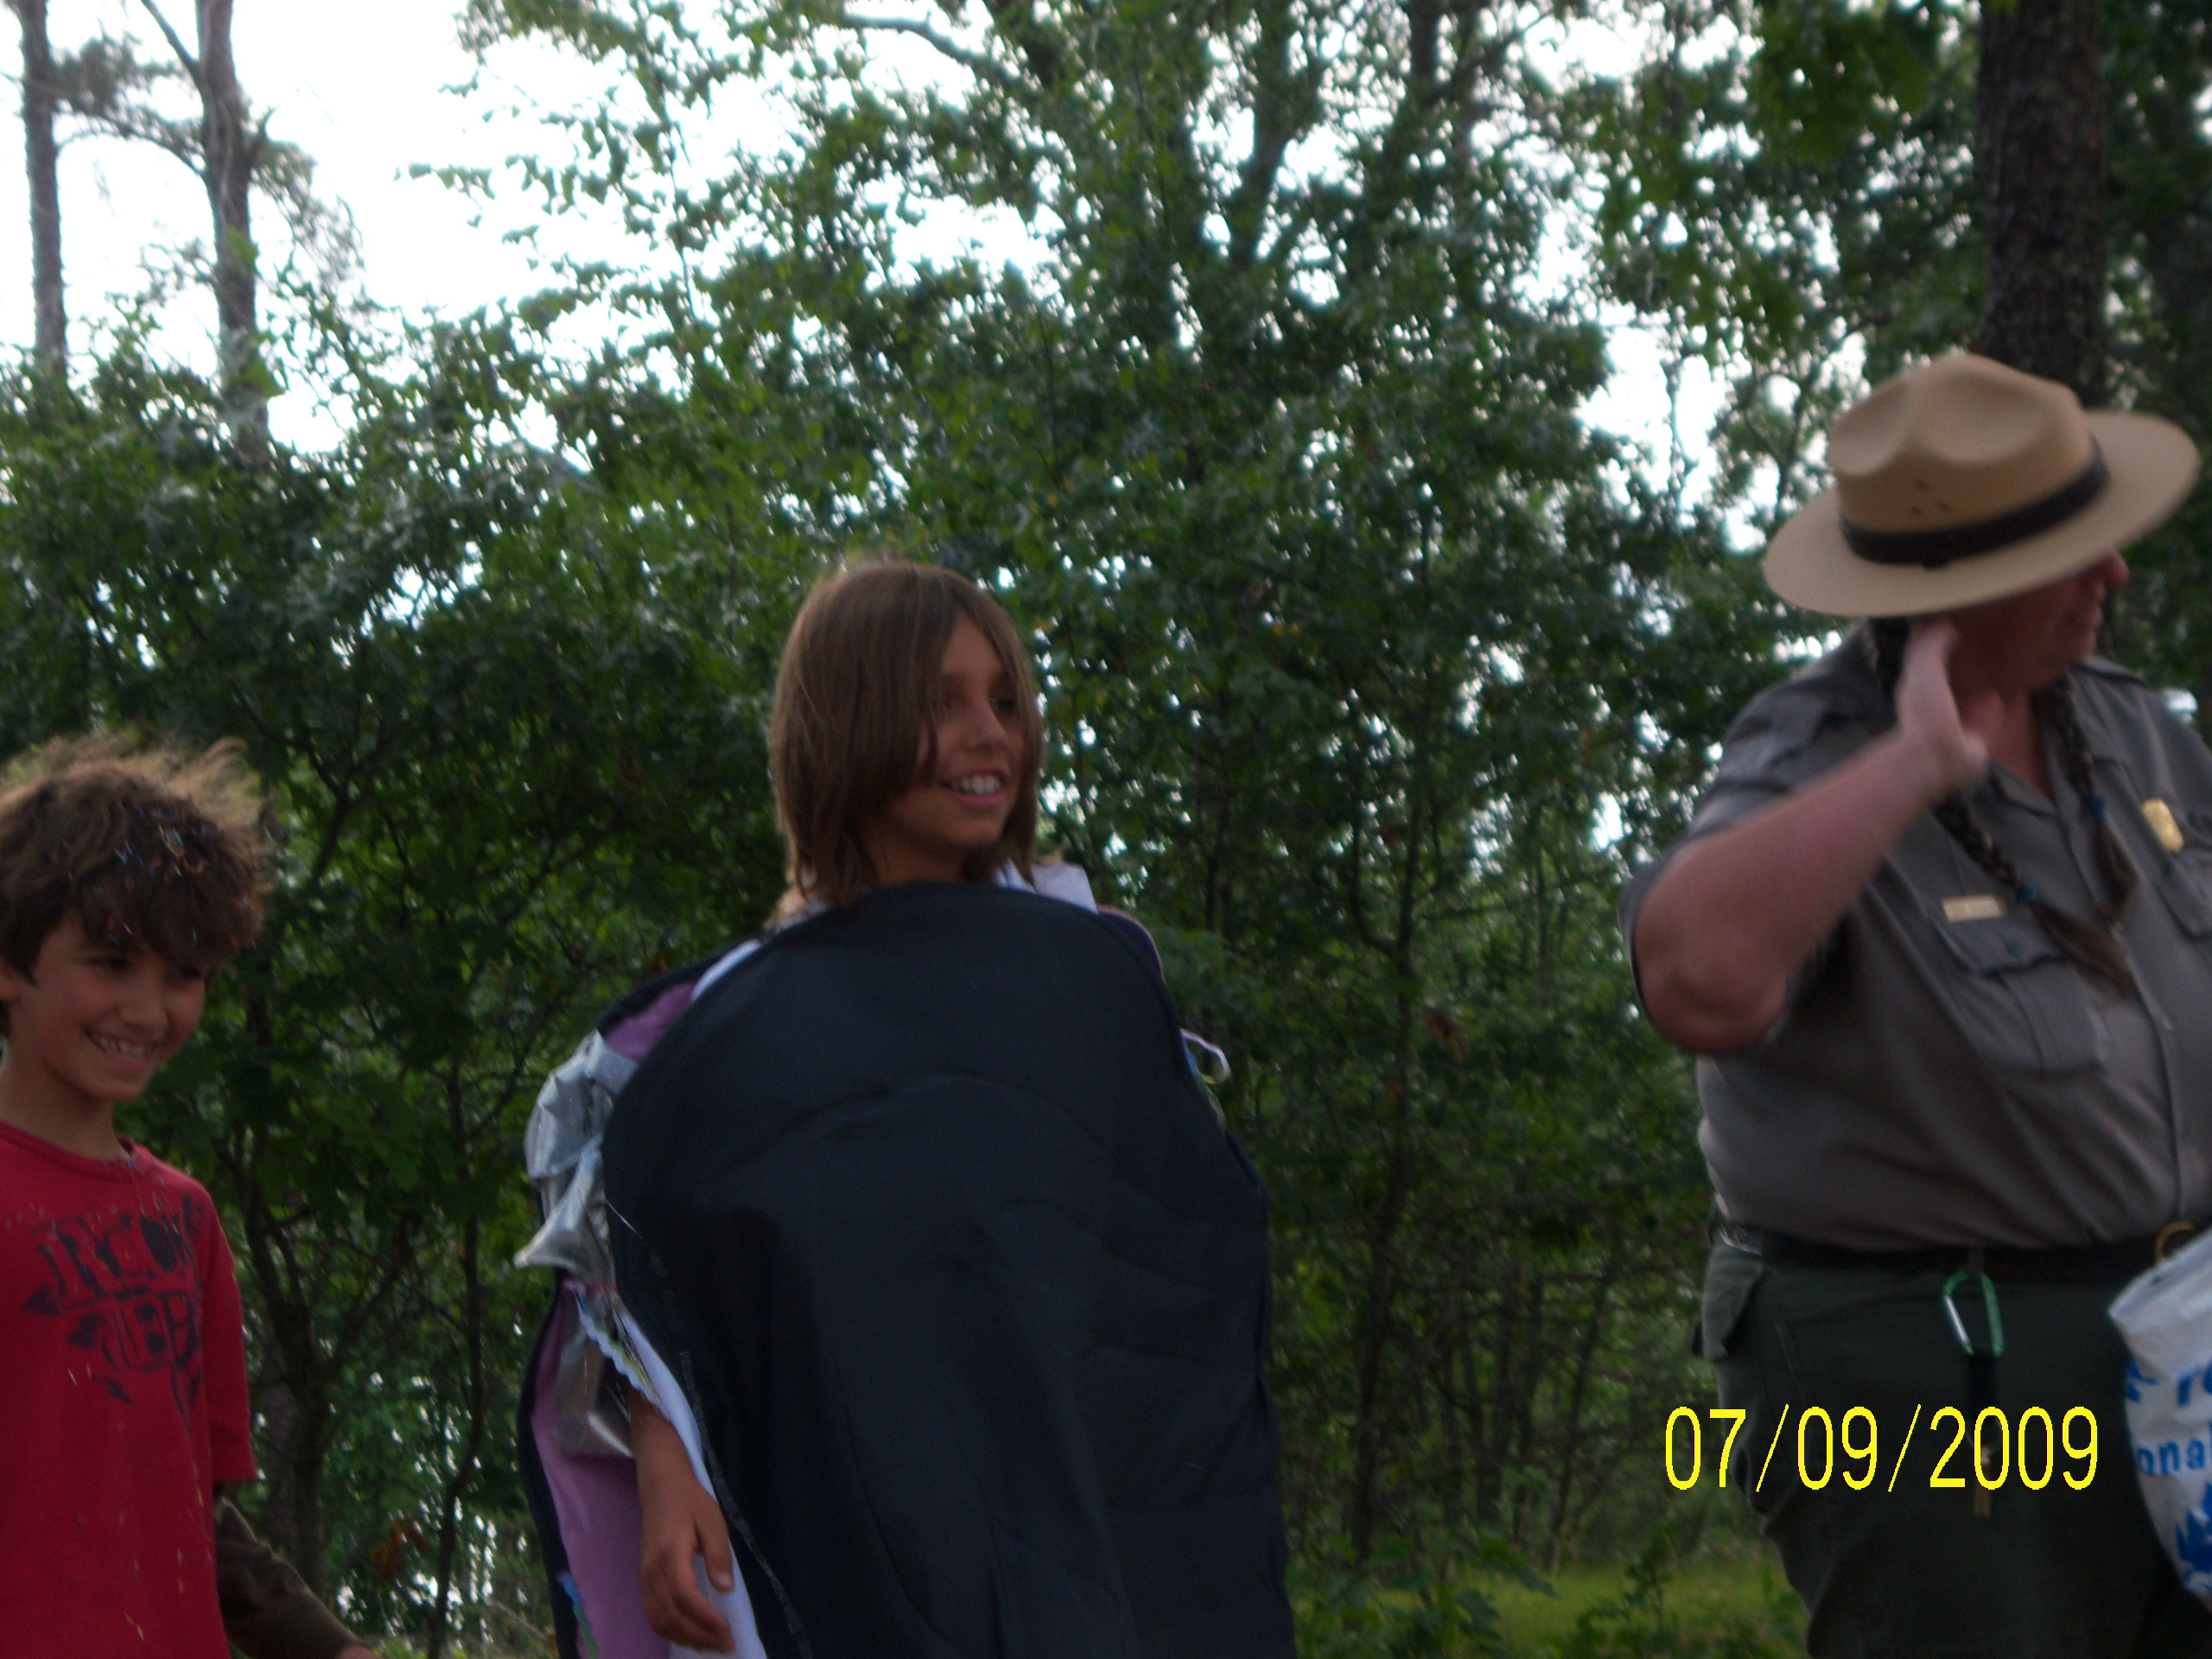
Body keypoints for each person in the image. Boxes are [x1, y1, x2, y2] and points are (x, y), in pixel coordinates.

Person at [518, 557, 1293, 1659]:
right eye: (941, 704)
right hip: (867, 1547)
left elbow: (1164, 1270)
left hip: (1088, 1537)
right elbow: (665, 1267)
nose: (990, 736)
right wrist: (663, 1456)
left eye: (1005, 702)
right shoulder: (736, 1034)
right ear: (849, 725)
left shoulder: (1091, 983)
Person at [1624, 352, 2212, 1656]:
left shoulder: (2127, 731)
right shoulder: (1813, 749)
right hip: (1934, 1371)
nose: (2115, 574)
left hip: (2177, 1356)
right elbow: (1694, 979)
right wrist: (1912, 767)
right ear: (1955, 588)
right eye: (2070, 554)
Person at [0, 736, 378, 1659]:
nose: (149, 1009)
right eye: (111, 962)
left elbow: (185, 1508)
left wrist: (333, 1649)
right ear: (8, 963)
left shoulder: (184, 1218)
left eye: (185, 975)